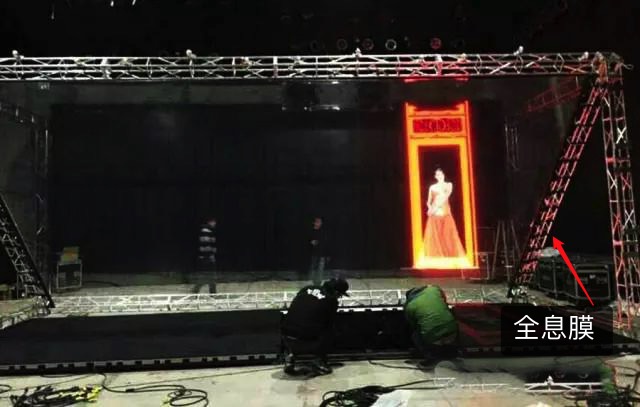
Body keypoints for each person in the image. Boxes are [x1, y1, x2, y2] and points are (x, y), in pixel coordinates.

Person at [281, 278, 350, 376]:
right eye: (340, 295)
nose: (339, 297)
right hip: (305, 339)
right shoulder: (331, 300)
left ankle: (290, 356)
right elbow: (329, 323)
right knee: (330, 330)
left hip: (286, 336)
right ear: (336, 292)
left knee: (301, 323)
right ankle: (318, 362)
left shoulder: (306, 288)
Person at [423, 168, 468, 267]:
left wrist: (434, 209)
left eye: (440, 174)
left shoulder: (448, 185)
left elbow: (445, 197)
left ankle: (451, 261)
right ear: (435, 176)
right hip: (434, 215)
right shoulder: (432, 187)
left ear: (443, 175)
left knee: (448, 236)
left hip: (445, 213)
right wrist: (430, 208)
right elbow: (429, 201)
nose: (439, 176)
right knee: (434, 238)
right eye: (437, 175)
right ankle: (436, 262)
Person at [404, 285, 458, 366]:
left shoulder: (409, 306)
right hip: (452, 329)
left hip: (432, 335)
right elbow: (444, 298)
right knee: (448, 325)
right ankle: (452, 354)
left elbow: (413, 324)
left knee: (416, 336)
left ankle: (431, 358)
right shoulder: (433, 289)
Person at [196, 218, 217, 293]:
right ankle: (212, 293)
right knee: (210, 276)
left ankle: (212, 292)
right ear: (210, 222)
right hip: (206, 258)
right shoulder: (206, 231)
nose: (215, 224)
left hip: (206, 257)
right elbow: (206, 246)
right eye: (214, 222)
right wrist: (210, 255)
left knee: (209, 276)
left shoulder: (208, 231)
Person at [309, 217, 328, 285]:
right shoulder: (311, 231)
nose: (319, 223)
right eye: (318, 222)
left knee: (320, 269)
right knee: (313, 268)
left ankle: (318, 283)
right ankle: (314, 282)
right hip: (313, 253)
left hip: (321, 254)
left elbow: (325, 242)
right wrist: (311, 242)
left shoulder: (323, 232)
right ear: (314, 223)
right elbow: (308, 240)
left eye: (320, 222)